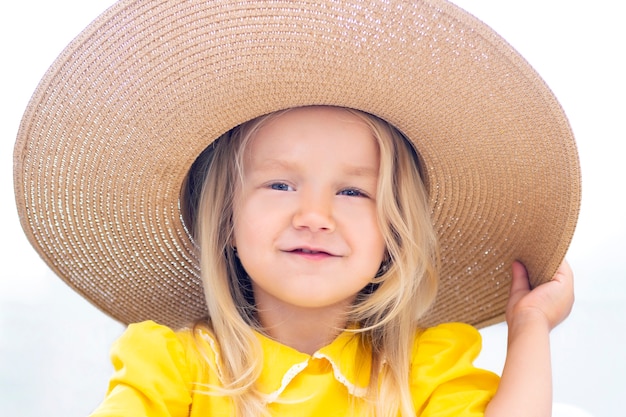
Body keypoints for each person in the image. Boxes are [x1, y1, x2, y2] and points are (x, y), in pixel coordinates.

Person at [13, 1, 580, 416]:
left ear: (395, 234)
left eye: (353, 192)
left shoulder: (422, 365)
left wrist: (529, 327)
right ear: (228, 221)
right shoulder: (175, 362)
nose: (314, 214)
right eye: (281, 185)